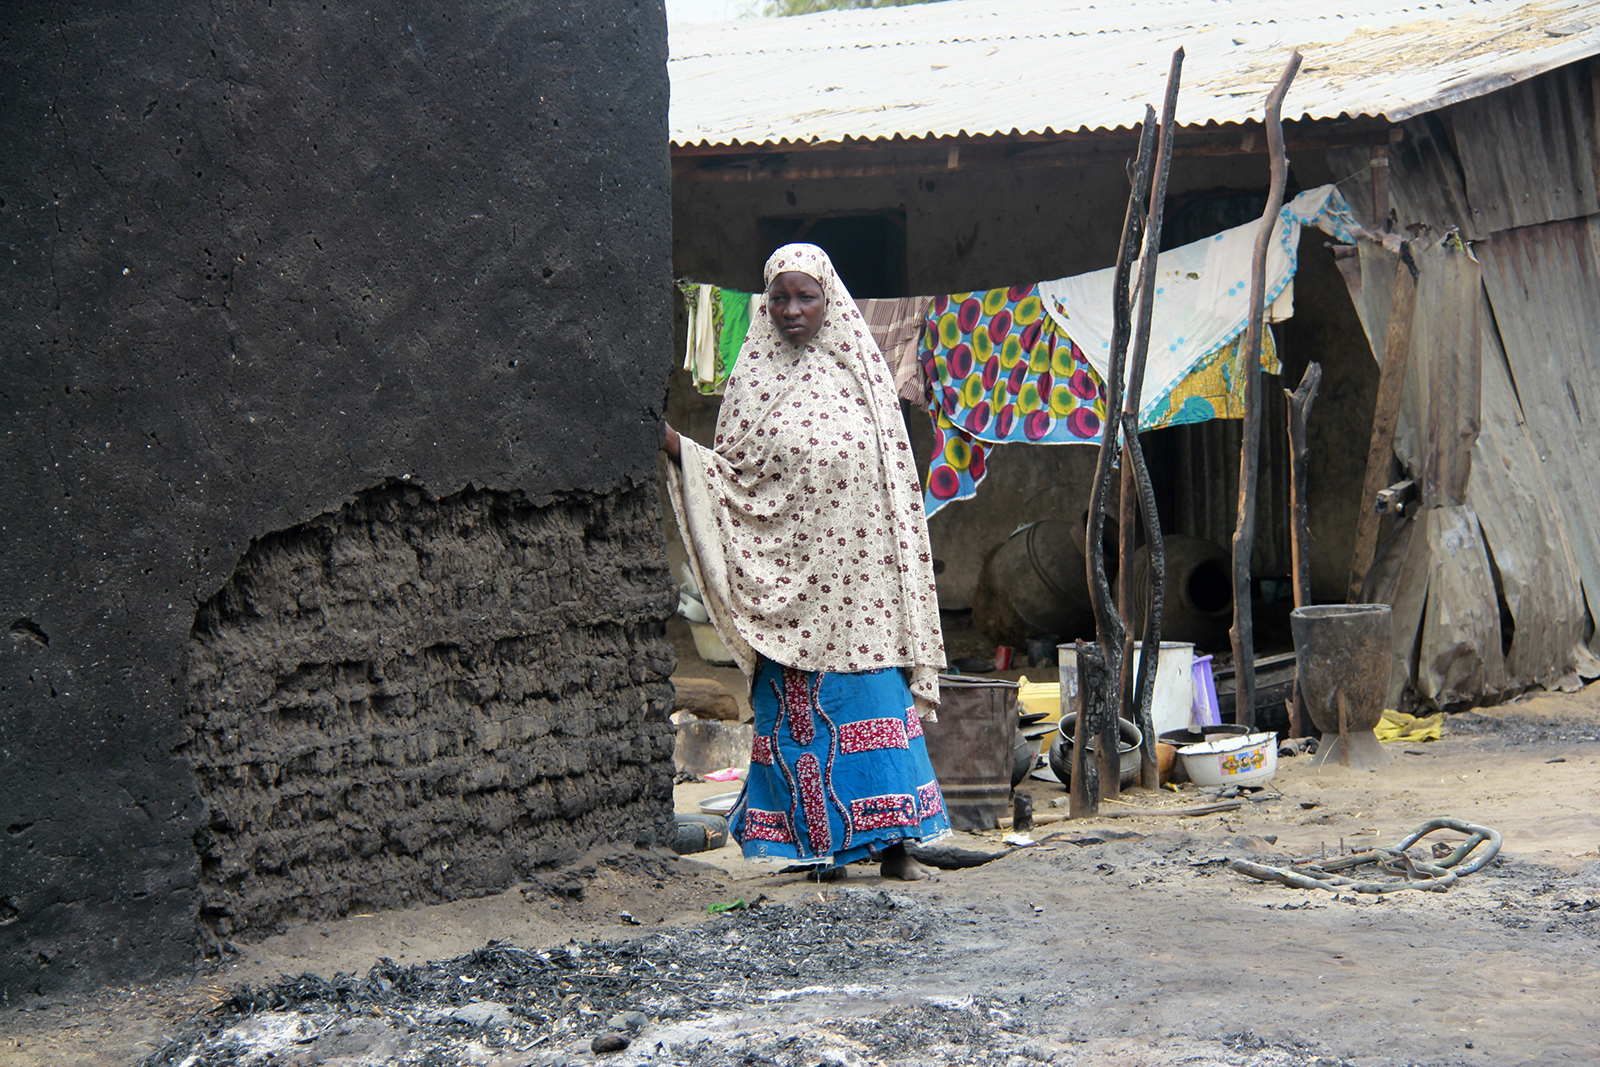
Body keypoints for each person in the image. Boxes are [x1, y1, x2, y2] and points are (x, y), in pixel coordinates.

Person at [663, 244, 949, 881]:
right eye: (780, 298)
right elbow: (734, 479)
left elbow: (895, 487)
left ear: (830, 301)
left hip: (861, 595)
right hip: (785, 593)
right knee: (796, 726)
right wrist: (680, 451)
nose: (792, 311)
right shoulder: (752, 380)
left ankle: (895, 846)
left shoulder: (864, 380)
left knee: (873, 709)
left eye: (806, 297)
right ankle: (821, 852)